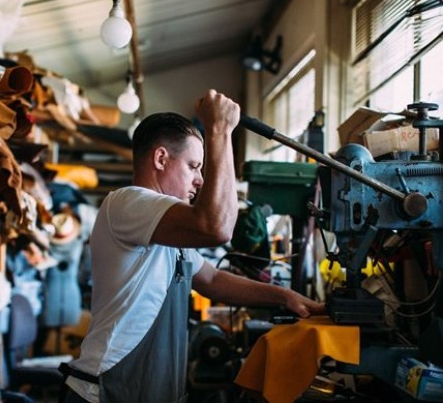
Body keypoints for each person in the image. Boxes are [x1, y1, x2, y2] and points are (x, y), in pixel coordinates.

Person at [60, 89, 324, 402]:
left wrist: (285, 297)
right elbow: (216, 228)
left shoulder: (169, 228)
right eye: (193, 166)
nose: (199, 180)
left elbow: (212, 280)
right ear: (160, 158)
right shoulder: (127, 203)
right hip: (105, 390)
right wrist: (220, 130)